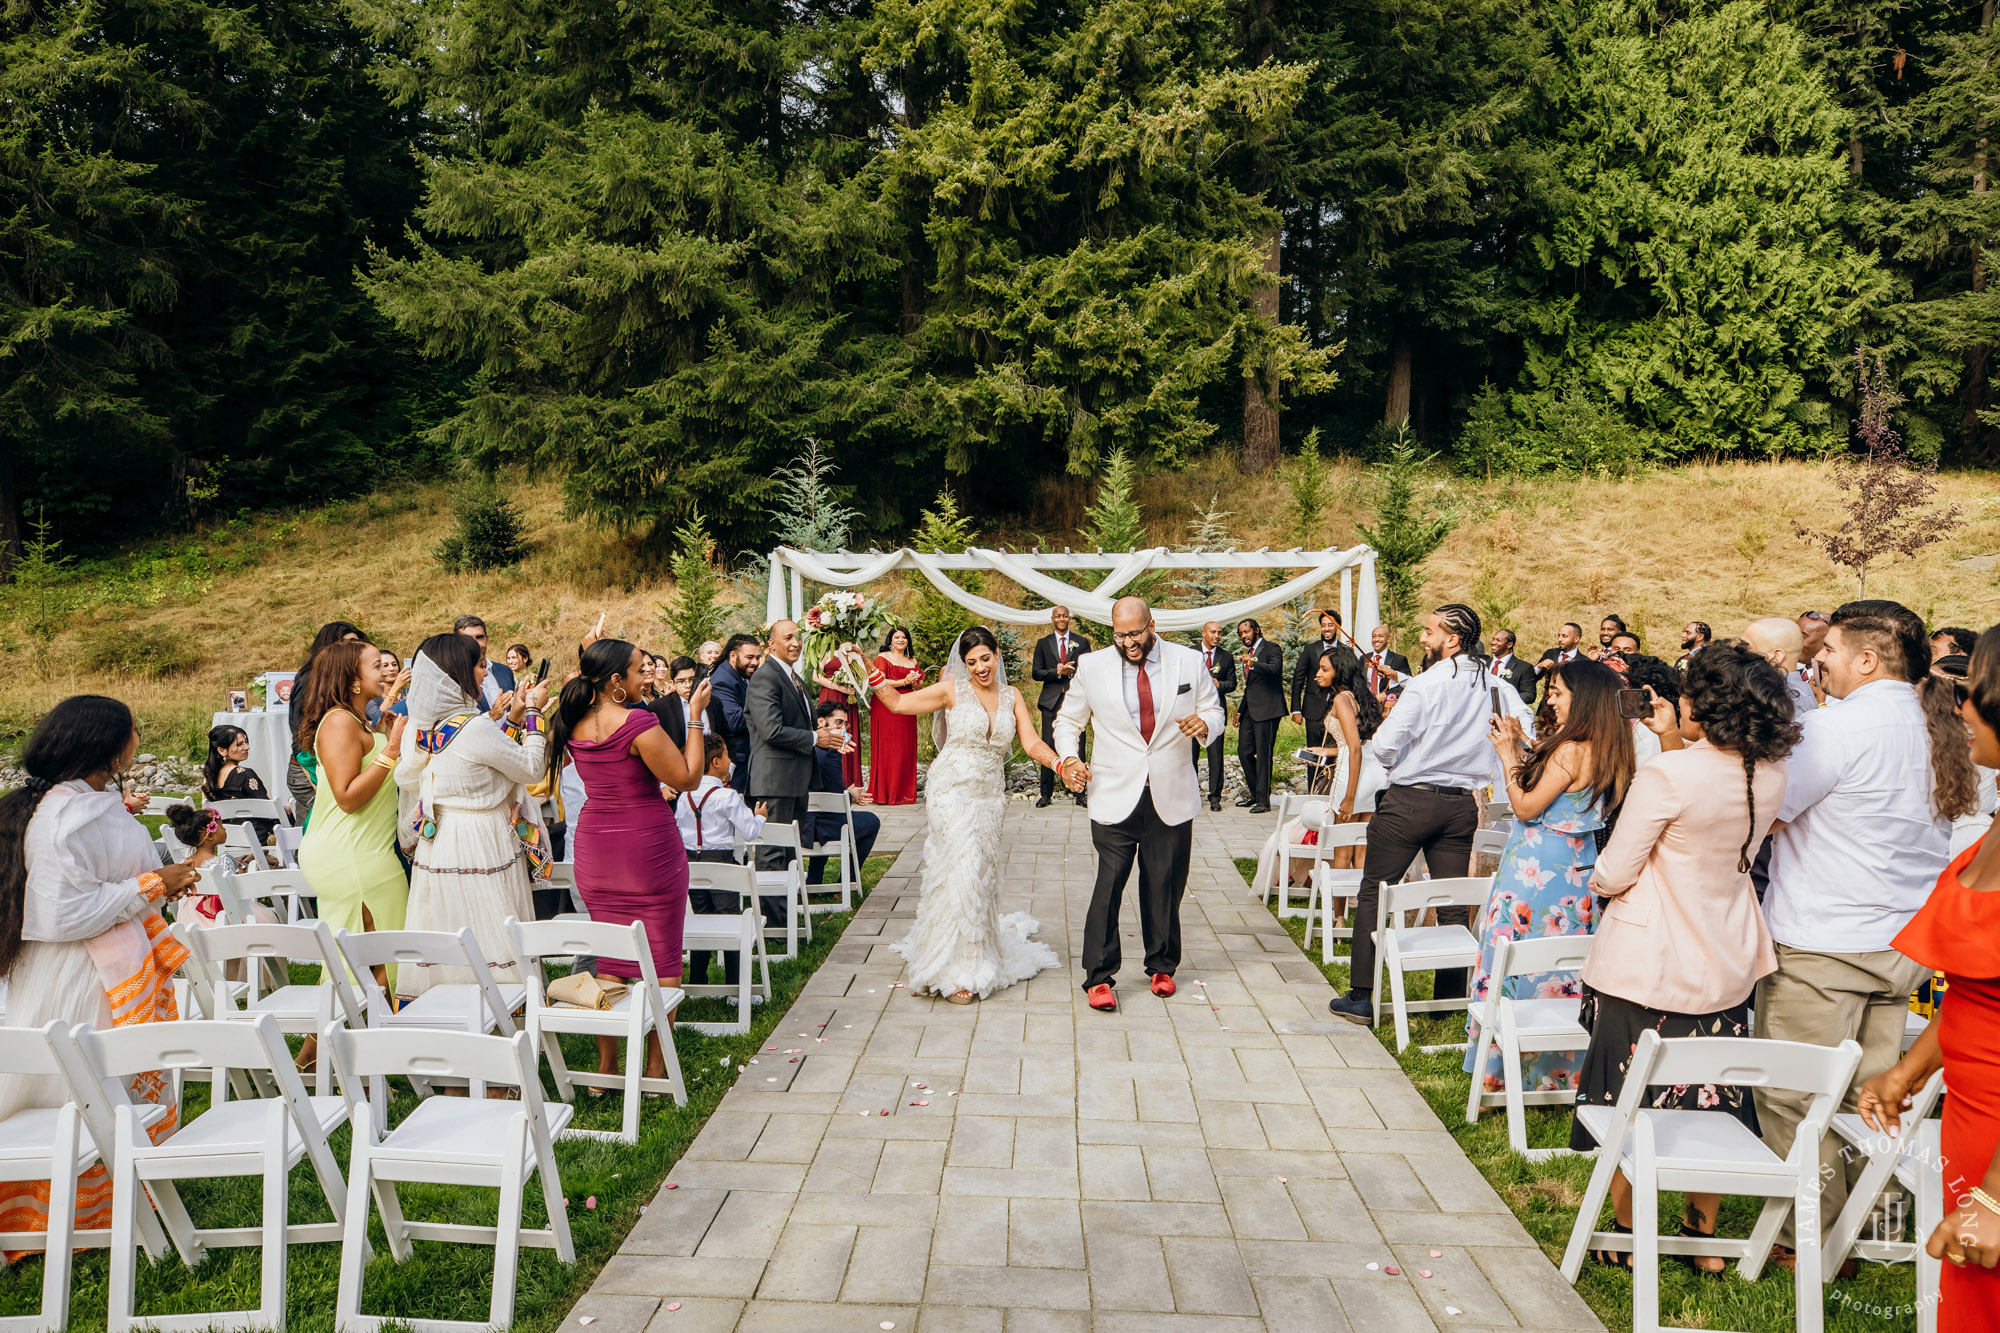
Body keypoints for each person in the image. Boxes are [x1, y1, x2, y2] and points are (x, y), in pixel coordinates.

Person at [1757, 599, 1979, 1261]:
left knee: (1797, 1096)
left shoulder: (1835, 728)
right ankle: (1874, 1226)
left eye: (1827, 649)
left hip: (1826, 941)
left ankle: (1813, 1239)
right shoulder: (1935, 723)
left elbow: (1772, 813)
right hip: (1902, 943)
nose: (1816, 659)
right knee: (1877, 1098)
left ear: (1867, 657)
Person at [1571, 642, 1800, 1269]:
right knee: (1713, 1092)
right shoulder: (1771, 771)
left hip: (1653, 954)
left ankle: (1626, 1236)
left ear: (1707, 705)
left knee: (1631, 1094)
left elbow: (1615, 869)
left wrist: (1601, 884)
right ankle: (1703, 1239)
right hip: (1727, 948)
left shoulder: (1670, 774)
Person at [0, 697, 200, 1242]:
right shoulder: (67, 815)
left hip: (103, 959)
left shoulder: (86, 805)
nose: (138, 739)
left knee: (98, 1083)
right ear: (109, 746)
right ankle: (64, 1216)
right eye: (134, 731)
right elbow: (66, 912)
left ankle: (110, 1202)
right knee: (75, 1087)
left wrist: (165, 879)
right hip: (78, 972)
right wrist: (158, 883)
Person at [1858, 623, 2000, 1328]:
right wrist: (1909, 1069)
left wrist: (1997, 1196)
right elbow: (1981, 989)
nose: (1963, 710)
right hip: (1971, 1115)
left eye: (1980, 693)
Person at [857, 625, 1063, 1003]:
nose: (980, 668)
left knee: (980, 873)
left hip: (988, 797)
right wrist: (869, 668)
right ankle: (954, 971)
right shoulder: (952, 689)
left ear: (997, 655)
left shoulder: (1012, 695)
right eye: (971, 662)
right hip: (950, 791)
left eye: (985, 659)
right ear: (964, 664)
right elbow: (899, 704)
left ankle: (976, 953)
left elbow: (1031, 741)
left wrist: (1060, 764)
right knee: (960, 869)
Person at [1466, 658, 1633, 1095]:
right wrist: (1525, 748)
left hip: (1535, 871)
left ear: (1584, 699)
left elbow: (1525, 807)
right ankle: (1558, 1071)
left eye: (1558, 692)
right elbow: (1561, 796)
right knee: (1558, 965)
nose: (1551, 700)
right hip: (1576, 870)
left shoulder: (1569, 749)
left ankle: (1502, 1074)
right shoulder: (1612, 744)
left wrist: (1506, 756)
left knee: (1516, 955)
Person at [1054, 598, 1225, 1011]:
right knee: (1108, 884)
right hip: (1113, 792)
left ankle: (1162, 965)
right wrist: (1070, 758)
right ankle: (1098, 975)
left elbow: (1214, 709)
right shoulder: (1093, 666)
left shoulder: (1187, 662)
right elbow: (1068, 721)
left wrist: (1206, 725)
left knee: (1165, 882)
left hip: (1170, 792)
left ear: (1152, 625)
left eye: (1135, 633)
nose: (1128, 642)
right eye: (1119, 635)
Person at [1328, 604, 1494, 1024]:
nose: (1422, 637)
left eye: (1428, 630)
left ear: (1451, 638)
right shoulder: (1491, 683)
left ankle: (1361, 996)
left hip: (1411, 801)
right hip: (1461, 804)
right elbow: (1519, 722)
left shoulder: (1426, 684)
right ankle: (1448, 1002)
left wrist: (1408, 754)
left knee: (1374, 892)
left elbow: (1383, 747)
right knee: (1452, 897)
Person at [555, 635, 709, 1081]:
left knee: (609, 958)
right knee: (662, 959)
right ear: (616, 680)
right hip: (647, 851)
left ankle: (607, 1068)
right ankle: (656, 1069)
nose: (649, 677)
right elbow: (687, 777)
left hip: (596, 850)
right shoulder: (638, 723)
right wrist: (694, 718)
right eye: (642, 670)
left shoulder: (574, 723)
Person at [396, 633, 552, 996]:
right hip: (482, 839)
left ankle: (449, 1006)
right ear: (458, 674)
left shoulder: (421, 729)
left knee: (450, 921)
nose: (484, 674)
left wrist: (511, 721)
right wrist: (534, 714)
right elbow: (530, 768)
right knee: (491, 924)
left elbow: (484, 764)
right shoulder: (475, 726)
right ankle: (504, 1015)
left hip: (441, 840)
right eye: (479, 666)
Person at [296, 640, 411, 1015]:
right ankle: (380, 1050)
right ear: (353, 679)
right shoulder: (340, 722)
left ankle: (320, 1056)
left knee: (356, 960)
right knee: (381, 956)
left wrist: (380, 730)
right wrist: (390, 750)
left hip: (360, 849)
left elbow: (361, 763)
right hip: (353, 854)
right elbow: (347, 796)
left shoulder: (354, 719)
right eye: (377, 666)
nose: (386, 672)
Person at [1250, 653, 1384, 897]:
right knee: (1363, 848)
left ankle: (1340, 914)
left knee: (1342, 850)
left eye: (1324, 669)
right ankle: (1362, 902)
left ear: (1339, 672)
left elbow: (1354, 748)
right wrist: (1328, 750)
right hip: (1373, 775)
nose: (1317, 674)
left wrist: (1350, 796)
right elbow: (1360, 744)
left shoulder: (1342, 699)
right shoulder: (1363, 698)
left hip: (1352, 775)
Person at [746, 620, 850, 905]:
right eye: (787, 637)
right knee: (772, 851)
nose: (795, 642)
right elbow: (771, 730)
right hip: (775, 779)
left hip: (795, 779)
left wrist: (824, 736)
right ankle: (772, 923)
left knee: (790, 851)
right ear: (772, 644)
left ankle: (788, 915)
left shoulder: (794, 677)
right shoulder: (765, 677)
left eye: (798, 637)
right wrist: (816, 738)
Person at [676, 740, 766, 990]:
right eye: (727, 755)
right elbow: (749, 832)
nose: (730, 761)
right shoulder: (728, 796)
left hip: (692, 863)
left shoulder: (685, 797)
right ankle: (735, 985)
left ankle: (698, 980)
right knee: (730, 920)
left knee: (702, 919)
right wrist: (759, 818)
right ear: (716, 762)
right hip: (722, 862)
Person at [288, 621, 368, 829]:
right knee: (317, 827)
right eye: (347, 643)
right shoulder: (310, 679)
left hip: (330, 765)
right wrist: (314, 773)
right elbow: (301, 735)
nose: (354, 649)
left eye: (357, 643)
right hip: (310, 766)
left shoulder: (346, 680)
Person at [807, 701, 881, 887]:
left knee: (832, 815)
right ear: (821, 722)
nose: (843, 729)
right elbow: (837, 801)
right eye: (838, 723)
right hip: (824, 827)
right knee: (871, 821)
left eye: (845, 724)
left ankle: (814, 880)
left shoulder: (806, 750)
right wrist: (851, 795)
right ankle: (847, 882)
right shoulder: (830, 754)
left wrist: (846, 792)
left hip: (806, 825)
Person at [1031, 608, 1091, 808]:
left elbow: (1088, 669)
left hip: (1076, 701)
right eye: (1058, 616)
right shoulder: (1043, 643)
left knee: (1078, 747)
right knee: (1048, 747)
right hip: (1051, 701)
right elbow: (1036, 673)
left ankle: (1080, 793)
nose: (1061, 618)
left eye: (1065, 615)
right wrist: (1056, 672)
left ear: (1069, 618)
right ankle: (1046, 794)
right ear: (1052, 619)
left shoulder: (1081, 642)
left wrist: (1072, 672)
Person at [1234, 618, 1286, 813]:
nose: (1244, 636)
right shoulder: (1248, 654)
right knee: (1244, 751)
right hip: (1250, 709)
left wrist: (1253, 661)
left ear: (1256, 630)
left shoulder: (1272, 648)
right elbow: (1250, 686)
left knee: (1264, 754)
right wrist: (1240, 710)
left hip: (1269, 709)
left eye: (1246, 631)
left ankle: (1263, 802)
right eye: (1241, 633)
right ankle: (1256, 794)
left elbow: (1275, 669)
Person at [867, 626, 923, 805]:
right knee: (888, 746)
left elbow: (920, 686)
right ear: (890, 640)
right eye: (897, 637)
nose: (901, 640)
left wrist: (914, 682)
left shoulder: (912, 660)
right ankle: (885, 793)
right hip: (886, 705)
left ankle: (903, 792)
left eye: (904, 637)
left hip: (908, 704)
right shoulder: (883, 658)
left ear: (908, 641)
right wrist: (903, 681)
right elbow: (878, 681)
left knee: (904, 746)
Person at [202, 722, 278, 844]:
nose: (247, 747)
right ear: (222, 750)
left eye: (246, 742)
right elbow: (267, 811)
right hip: (257, 838)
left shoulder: (209, 777)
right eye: (239, 744)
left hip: (227, 838)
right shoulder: (245, 775)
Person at [1291, 610, 1359, 746]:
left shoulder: (1346, 650)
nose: (1326, 628)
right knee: (1314, 753)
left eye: (1330, 625)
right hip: (1313, 709)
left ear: (1338, 627)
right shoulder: (1310, 649)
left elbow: (1353, 679)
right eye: (1323, 625)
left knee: (1335, 750)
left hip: (1338, 709)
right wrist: (1296, 709)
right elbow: (1298, 679)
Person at [707, 634, 762, 795]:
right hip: (737, 761)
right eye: (749, 657)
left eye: (758, 657)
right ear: (733, 655)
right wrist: (767, 713)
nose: (755, 662)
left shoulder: (738, 675)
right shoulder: (723, 681)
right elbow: (735, 720)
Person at [1193, 621, 1237, 810]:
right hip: (1192, 712)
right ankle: (1192, 794)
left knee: (1216, 756)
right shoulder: (1190, 653)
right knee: (1189, 756)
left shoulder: (1226, 657)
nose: (1217, 636)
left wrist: (1220, 684)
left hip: (1215, 713)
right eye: (1213, 632)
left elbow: (1233, 683)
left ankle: (1215, 797)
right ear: (1204, 633)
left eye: (1219, 632)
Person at [810, 639, 864, 790]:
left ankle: (851, 782)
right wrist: (840, 688)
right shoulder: (826, 652)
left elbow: (862, 675)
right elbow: (816, 676)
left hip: (849, 699)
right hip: (831, 695)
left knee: (848, 733)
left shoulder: (854, 652)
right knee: (831, 733)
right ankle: (833, 782)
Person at [1744, 616, 1816, 719]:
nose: (1739, 652)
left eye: (1747, 647)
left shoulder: (1786, 701)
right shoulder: (1799, 692)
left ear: (1776, 656)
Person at [455, 616, 514, 711]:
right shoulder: (452, 679)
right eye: (467, 639)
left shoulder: (505, 672)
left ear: (486, 639)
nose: (475, 644)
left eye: (479, 637)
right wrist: (492, 716)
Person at [1487, 629, 1538, 707]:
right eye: (1493, 639)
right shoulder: (1483, 664)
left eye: (1498, 640)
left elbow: (1529, 695)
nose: (1493, 642)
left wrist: (1504, 699)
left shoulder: (1524, 668)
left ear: (1509, 645)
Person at [1362, 624, 1410, 697]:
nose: (1376, 639)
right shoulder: (1364, 658)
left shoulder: (1399, 660)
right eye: (1374, 636)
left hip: (1387, 704)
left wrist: (1385, 696)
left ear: (1388, 639)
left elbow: (1406, 685)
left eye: (1380, 636)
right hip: (1366, 704)